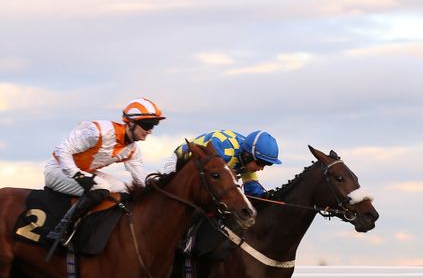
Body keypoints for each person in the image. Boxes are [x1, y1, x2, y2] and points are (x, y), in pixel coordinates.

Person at [45, 97, 165, 244]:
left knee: (124, 189)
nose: (150, 131)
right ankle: (63, 227)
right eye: (147, 125)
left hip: (85, 172)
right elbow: (61, 150)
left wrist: (162, 186)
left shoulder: (132, 150)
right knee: (101, 187)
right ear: (131, 123)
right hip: (57, 170)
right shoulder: (99, 132)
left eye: (154, 125)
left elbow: (141, 181)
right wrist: (77, 175)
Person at [166, 130, 280, 197]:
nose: (261, 168)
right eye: (260, 163)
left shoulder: (246, 157)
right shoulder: (223, 154)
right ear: (247, 154)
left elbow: (252, 189)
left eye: (266, 164)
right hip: (180, 163)